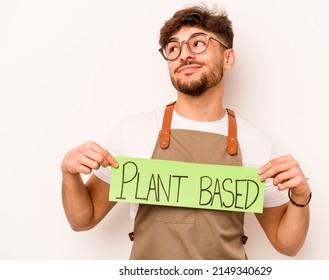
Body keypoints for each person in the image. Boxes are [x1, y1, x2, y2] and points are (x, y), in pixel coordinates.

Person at [61, 5, 311, 260]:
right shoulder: (133, 132)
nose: (184, 55)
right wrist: (69, 174)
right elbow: (84, 219)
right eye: (173, 48)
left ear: (228, 58)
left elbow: (287, 244)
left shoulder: (256, 144)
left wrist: (301, 196)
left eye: (198, 44)